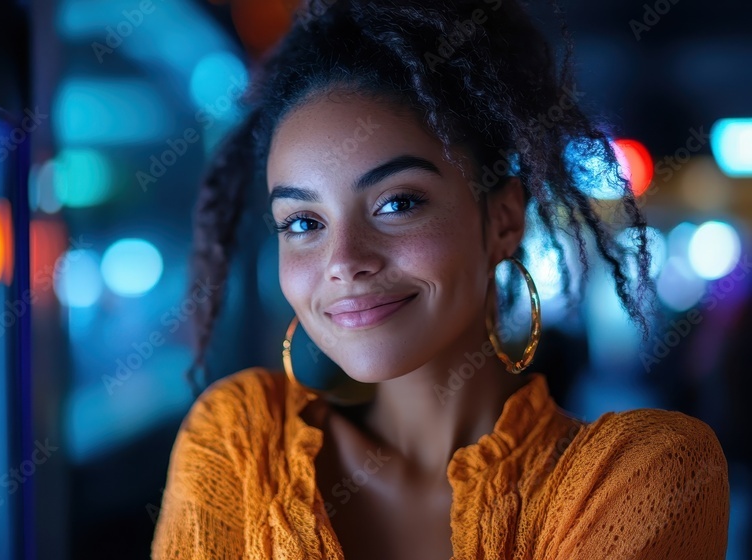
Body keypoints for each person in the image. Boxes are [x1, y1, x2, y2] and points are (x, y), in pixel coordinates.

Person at [151, 0, 730, 558]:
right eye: (303, 221)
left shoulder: (634, 478)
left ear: (502, 218)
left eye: (398, 203)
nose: (344, 260)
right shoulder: (238, 445)